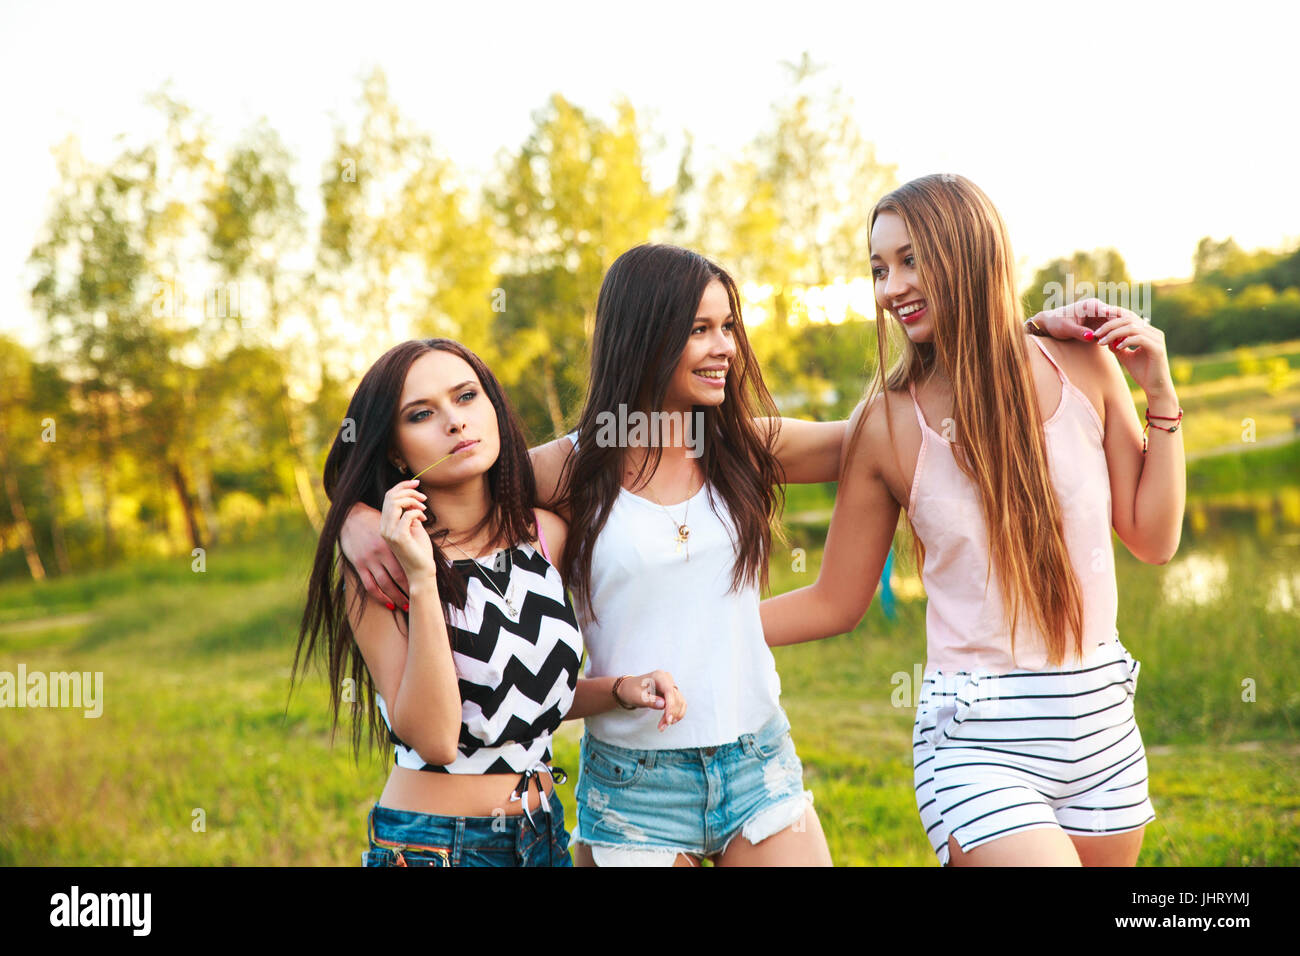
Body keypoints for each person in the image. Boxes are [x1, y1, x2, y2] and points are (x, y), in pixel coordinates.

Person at [339, 246, 1105, 866]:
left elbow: (887, 434)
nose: (723, 348)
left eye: (727, 325)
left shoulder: (740, 447)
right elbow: (444, 473)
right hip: (635, 780)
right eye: (699, 329)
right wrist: (357, 521)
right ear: (644, 335)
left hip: (756, 759)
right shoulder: (573, 468)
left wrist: (1019, 342)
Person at [759, 174, 1185, 866]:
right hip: (978, 743)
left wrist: (1159, 392)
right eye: (877, 269)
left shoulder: (1083, 366)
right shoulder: (888, 422)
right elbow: (834, 600)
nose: (889, 288)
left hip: (1102, 725)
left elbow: (1154, 538)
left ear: (969, 252)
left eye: (909, 260)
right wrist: (710, 631)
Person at [292, 337, 684, 867]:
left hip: (542, 836)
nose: (454, 422)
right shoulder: (382, 568)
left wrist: (619, 690)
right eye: (422, 414)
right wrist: (423, 577)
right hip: (437, 846)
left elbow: (512, 698)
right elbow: (435, 739)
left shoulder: (545, 535)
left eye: (467, 396)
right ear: (393, 448)